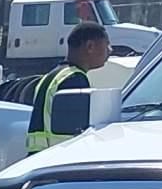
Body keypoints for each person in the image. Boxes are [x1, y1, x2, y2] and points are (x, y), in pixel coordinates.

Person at [28, 22, 111, 152]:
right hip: (60, 157)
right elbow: (79, 129)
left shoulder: (52, 76)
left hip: (41, 157)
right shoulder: (75, 79)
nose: (110, 50)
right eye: (107, 45)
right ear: (90, 46)